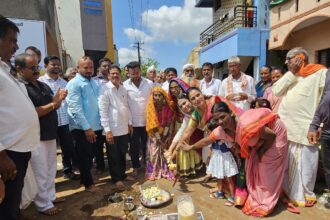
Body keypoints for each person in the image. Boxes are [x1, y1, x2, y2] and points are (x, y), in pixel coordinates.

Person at [272, 47, 327, 207]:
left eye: (289, 59)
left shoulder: (320, 73)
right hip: (286, 128)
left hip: (306, 128)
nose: (286, 62)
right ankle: (287, 192)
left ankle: (303, 195)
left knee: (305, 164)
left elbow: (325, 101)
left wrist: (320, 125)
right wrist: (292, 73)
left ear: (300, 58)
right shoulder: (292, 76)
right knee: (287, 164)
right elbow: (276, 90)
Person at [16, 53, 67, 216]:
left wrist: (58, 101)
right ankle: (42, 204)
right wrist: (53, 104)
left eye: (37, 66)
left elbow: (52, 106)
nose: (36, 70)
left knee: (51, 169)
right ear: (19, 69)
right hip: (35, 136)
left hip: (50, 133)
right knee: (40, 171)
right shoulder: (21, 88)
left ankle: (50, 196)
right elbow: (32, 112)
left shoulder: (41, 85)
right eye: (32, 68)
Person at [0, 15, 40, 220]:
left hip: (19, 151)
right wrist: (1, 155)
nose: (16, 47)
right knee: (6, 205)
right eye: (12, 40)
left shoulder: (5, 70)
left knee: (13, 201)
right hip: (8, 155)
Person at [181, 102, 240, 206]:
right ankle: (220, 192)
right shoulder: (219, 133)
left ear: (230, 113)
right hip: (218, 160)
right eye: (217, 120)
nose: (220, 122)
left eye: (223, 117)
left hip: (227, 159)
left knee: (229, 178)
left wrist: (238, 157)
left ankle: (232, 196)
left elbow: (235, 148)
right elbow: (206, 141)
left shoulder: (241, 124)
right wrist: (191, 147)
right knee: (219, 176)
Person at [236, 106, 288, 217]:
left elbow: (272, 136)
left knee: (267, 171)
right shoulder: (242, 129)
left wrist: (261, 151)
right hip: (267, 137)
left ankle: (267, 201)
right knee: (259, 168)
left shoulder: (252, 129)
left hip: (276, 137)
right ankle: (262, 196)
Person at [66, 56, 104, 193]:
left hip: (96, 126)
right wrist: (87, 128)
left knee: (91, 156)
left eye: (91, 67)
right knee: (84, 156)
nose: (89, 70)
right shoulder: (74, 84)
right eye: (85, 68)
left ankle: (88, 177)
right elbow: (75, 108)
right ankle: (88, 184)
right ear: (78, 68)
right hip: (82, 128)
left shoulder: (94, 82)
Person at [39, 55, 79, 180]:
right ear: (46, 66)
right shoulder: (40, 82)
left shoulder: (64, 83)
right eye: (53, 64)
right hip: (48, 122)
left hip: (65, 121)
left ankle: (67, 171)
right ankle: (48, 175)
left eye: (58, 64)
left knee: (67, 147)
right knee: (48, 151)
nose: (56, 66)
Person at [98, 65, 133, 190]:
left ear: (120, 75)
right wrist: (107, 130)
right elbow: (102, 111)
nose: (115, 75)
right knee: (113, 156)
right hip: (111, 129)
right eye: (112, 73)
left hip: (123, 128)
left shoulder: (123, 89)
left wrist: (129, 123)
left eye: (117, 73)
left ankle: (123, 175)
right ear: (108, 76)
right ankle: (116, 179)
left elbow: (126, 107)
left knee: (122, 153)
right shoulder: (105, 89)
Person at [124, 61, 153, 177]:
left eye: (137, 72)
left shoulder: (149, 83)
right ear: (128, 73)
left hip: (147, 122)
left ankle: (147, 165)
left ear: (140, 71)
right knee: (134, 147)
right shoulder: (125, 85)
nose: (135, 75)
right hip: (133, 123)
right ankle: (135, 167)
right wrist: (129, 123)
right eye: (132, 74)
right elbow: (125, 105)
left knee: (147, 145)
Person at [307, 69, 330, 209]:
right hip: (327, 131)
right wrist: (314, 126)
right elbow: (323, 100)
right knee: (328, 167)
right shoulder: (328, 74)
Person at [145, 87, 176, 180]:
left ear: (163, 96)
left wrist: (165, 136)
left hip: (165, 132)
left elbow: (168, 122)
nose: (157, 97)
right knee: (154, 153)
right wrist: (158, 138)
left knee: (164, 152)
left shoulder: (168, 107)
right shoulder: (151, 107)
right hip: (154, 134)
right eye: (155, 95)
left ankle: (165, 171)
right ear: (152, 96)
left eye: (159, 95)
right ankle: (153, 172)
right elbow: (152, 124)